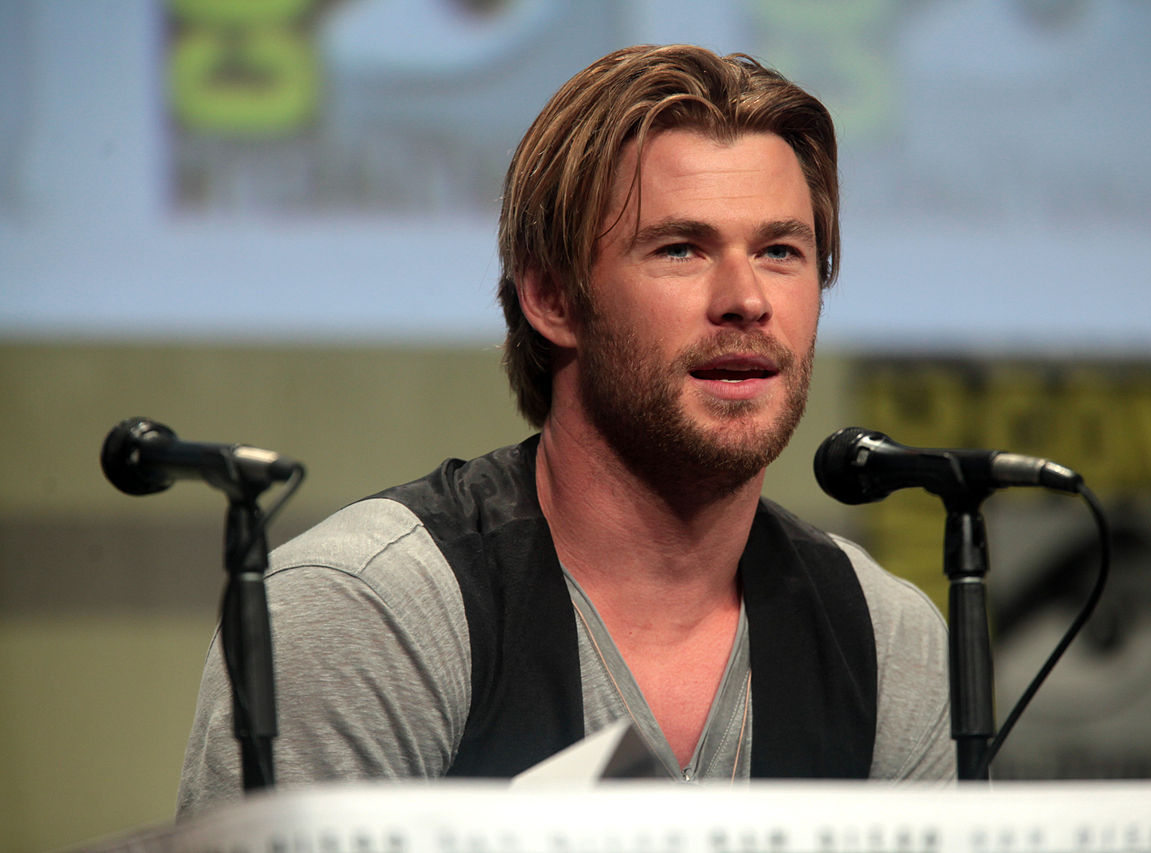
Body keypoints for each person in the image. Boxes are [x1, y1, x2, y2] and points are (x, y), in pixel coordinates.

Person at [177, 44, 954, 818]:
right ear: (551, 297)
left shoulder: (886, 638)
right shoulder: (366, 612)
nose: (746, 299)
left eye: (781, 251)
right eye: (681, 248)